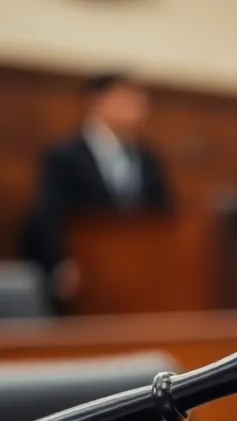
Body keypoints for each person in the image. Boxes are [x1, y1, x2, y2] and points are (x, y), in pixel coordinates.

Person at [20, 70, 172, 304]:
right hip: (82, 276)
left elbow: (165, 216)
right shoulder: (64, 155)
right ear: (95, 101)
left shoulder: (149, 159)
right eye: (126, 97)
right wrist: (60, 263)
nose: (137, 106)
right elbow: (47, 214)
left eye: (141, 99)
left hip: (139, 276)